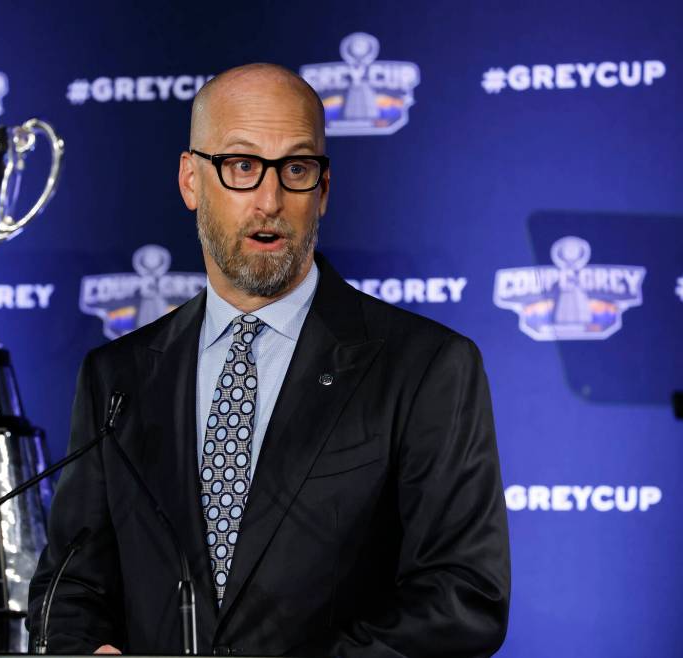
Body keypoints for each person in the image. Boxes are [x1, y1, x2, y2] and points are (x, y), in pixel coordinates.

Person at [28, 63, 510, 657]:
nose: (270, 199)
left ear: (323, 190)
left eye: (297, 169)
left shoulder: (427, 367)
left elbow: (463, 599)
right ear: (190, 181)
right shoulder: (118, 376)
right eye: (241, 166)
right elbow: (69, 586)